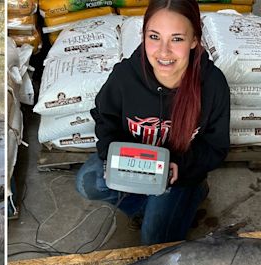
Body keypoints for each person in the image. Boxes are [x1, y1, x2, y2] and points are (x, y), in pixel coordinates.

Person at [75, 0, 230, 245]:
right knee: (88, 182)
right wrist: (111, 156)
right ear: (144, 36)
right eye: (154, 37)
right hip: (135, 161)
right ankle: (150, 209)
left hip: (179, 174)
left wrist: (179, 164)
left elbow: (216, 146)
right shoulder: (125, 76)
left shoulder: (212, 85)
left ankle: (191, 195)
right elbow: (106, 118)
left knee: (153, 240)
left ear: (194, 41)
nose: (163, 51)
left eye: (177, 39)